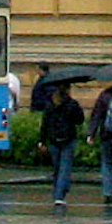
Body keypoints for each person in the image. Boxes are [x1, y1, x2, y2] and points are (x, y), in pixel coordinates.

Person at [34, 74, 86, 209]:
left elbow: (44, 124)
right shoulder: (72, 104)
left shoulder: (50, 104)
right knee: (65, 168)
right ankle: (59, 195)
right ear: (68, 90)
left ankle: (59, 191)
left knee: (58, 168)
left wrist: (42, 141)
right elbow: (80, 120)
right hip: (68, 139)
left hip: (53, 140)